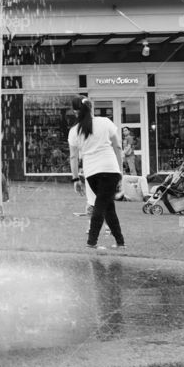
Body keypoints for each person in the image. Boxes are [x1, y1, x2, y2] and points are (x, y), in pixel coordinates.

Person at [69, 96, 126, 251]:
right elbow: (118, 147)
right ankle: (100, 242)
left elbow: (73, 157)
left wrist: (75, 179)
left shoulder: (74, 131)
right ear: (91, 108)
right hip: (110, 169)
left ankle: (113, 242)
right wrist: (120, 172)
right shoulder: (106, 123)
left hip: (91, 173)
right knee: (104, 206)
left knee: (104, 206)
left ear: (75, 112)